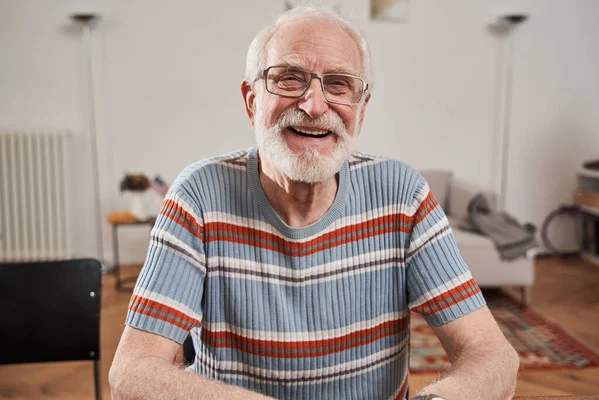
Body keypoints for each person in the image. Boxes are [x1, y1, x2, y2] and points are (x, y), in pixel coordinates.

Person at [109, 6, 519, 400]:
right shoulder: (197, 197)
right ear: (251, 100)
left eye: (339, 84)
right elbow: (133, 372)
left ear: (361, 108)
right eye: (289, 79)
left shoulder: (403, 195)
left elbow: (491, 353)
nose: (315, 105)